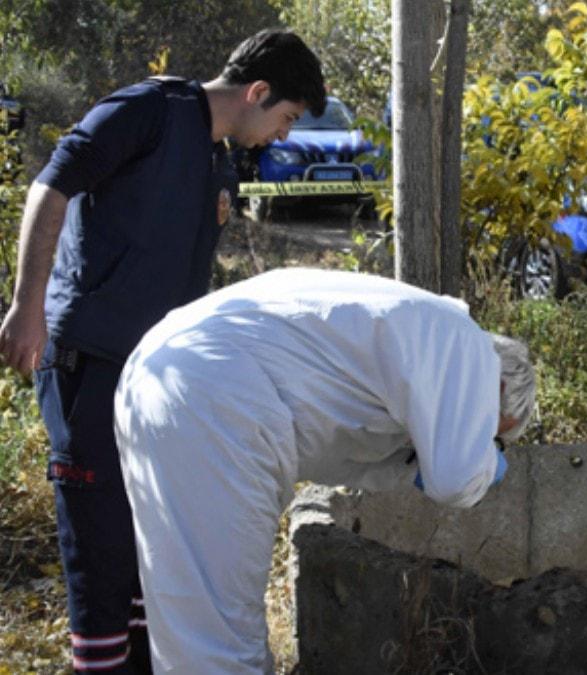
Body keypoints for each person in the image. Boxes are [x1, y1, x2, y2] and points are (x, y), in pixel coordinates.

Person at [0, 30, 325, 672]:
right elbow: (51, 188)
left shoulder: (217, 157)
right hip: (87, 364)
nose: (283, 136)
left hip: (155, 382)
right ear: (257, 93)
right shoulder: (146, 112)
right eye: (285, 118)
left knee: (152, 549)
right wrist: (26, 305)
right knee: (101, 552)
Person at [112, 267, 535, 673]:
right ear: (496, 391)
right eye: (493, 437)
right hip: (217, 397)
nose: (485, 446)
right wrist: (484, 463)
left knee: (190, 613)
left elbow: (342, 448)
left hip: (163, 369)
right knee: (218, 634)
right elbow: (456, 480)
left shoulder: (421, 335)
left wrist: (410, 465)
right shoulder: (468, 351)